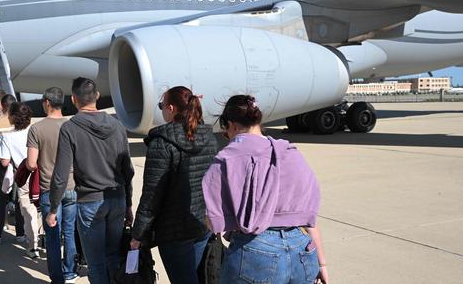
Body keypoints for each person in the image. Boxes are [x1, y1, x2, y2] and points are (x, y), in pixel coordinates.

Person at [202, 95, 329, 284]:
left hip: (255, 251)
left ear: (231, 124)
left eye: (225, 131)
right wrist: (322, 264)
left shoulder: (227, 159)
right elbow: (309, 220)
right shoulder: (290, 153)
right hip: (302, 250)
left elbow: (212, 222)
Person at [48, 77, 134, 284]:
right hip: (117, 198)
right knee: (113, 256)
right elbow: (128, 170)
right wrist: (129, 203)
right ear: (97, 96)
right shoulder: (117, 126)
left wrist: (53, 208)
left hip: (89, 201)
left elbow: (60, 174)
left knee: (95, 263)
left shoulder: (70, 128)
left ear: (74, 99)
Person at [130, 86, 217, 284]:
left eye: (161, 106)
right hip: (201, 224)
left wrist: (138, 234)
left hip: (174, 232)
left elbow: (151, 196)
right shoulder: (209, 138)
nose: (161, 110)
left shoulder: (161, 143)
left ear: (171, 108)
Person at [26, 87, 78, 283]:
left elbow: (31, 163)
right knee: (70, 231)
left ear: (47, 102)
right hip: (72, 186)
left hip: (49, 188)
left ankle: (57, 277)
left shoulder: (37, 129)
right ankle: (70, 271)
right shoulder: (72, 125)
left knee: (53, 235)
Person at [0, 102, 42, 257]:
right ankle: (43, 238)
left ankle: (33, 246)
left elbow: (4, 161)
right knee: (43, 209)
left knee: (29, 212)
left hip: (24, 176)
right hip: (42, 173)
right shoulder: (37, 129)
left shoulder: (8, 136)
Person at [0, 95, 27, 246]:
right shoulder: (19, 123)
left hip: (0, 165)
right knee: (18, 200)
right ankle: (20, 233)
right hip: (18, 165)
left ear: (2, 106)